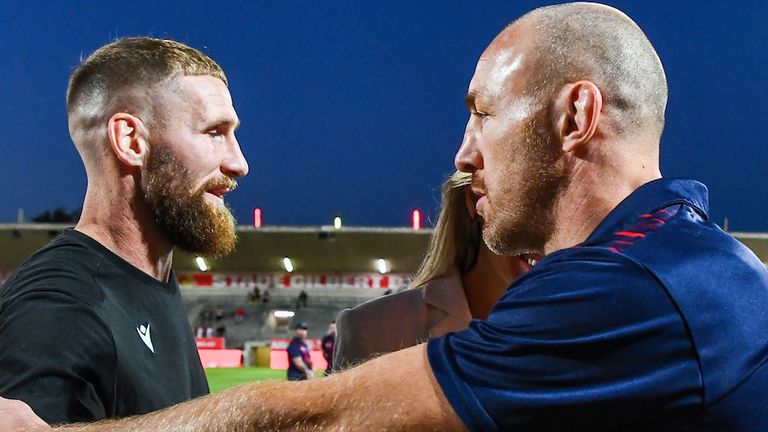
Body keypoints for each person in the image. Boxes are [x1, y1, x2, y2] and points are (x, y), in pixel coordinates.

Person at [5, 3, 768, 430]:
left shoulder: (631, 289)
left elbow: (322, 419)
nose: (465, 152)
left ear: (576, 117)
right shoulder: (679, 258)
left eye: (483, 113)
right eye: (217, 133)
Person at [0, 37, 248, 424]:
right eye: (214, 132)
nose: (238, 162)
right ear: (131, 141)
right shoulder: (61, 309)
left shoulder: (147, 275)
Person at [333, 171, 531, 370]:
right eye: (534, 205)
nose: (555, 235)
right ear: (478, 200)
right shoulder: (373, 330)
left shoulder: (559, 331)